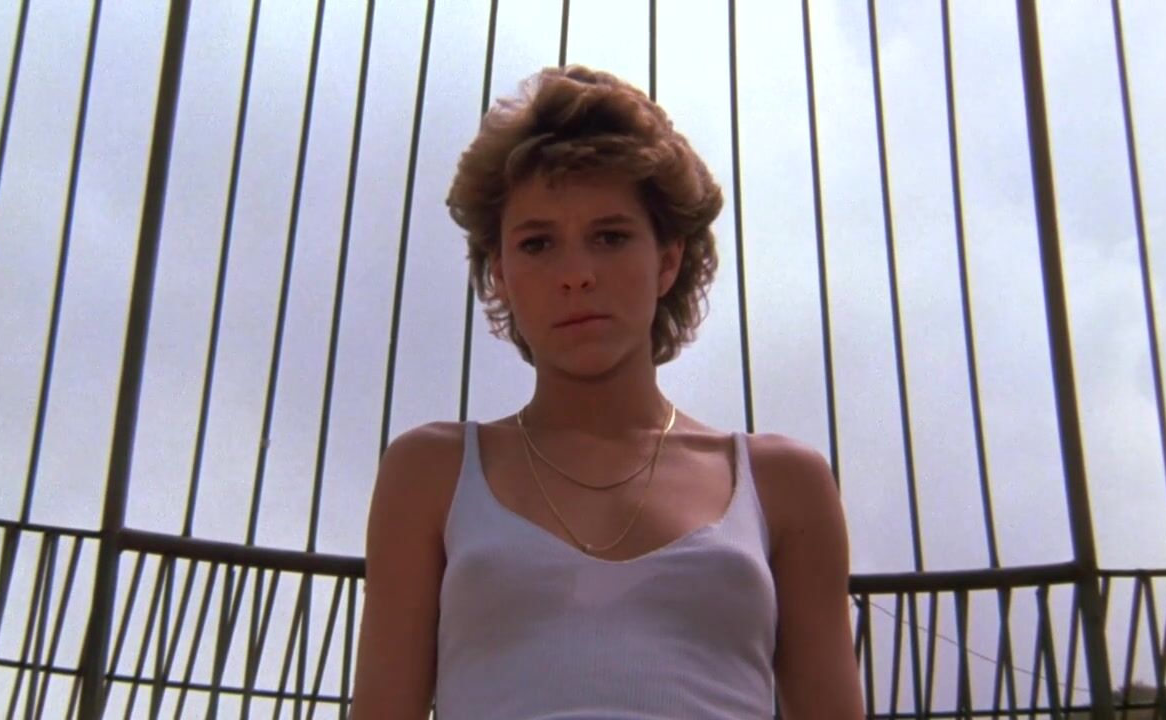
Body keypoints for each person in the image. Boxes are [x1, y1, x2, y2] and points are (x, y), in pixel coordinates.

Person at [349, 65, 863, 719]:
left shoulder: (782, 484)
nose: (576, 275)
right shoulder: (430, 473)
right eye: (538, 243)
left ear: (668, 260)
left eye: (610, 237)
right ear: (500, 273)